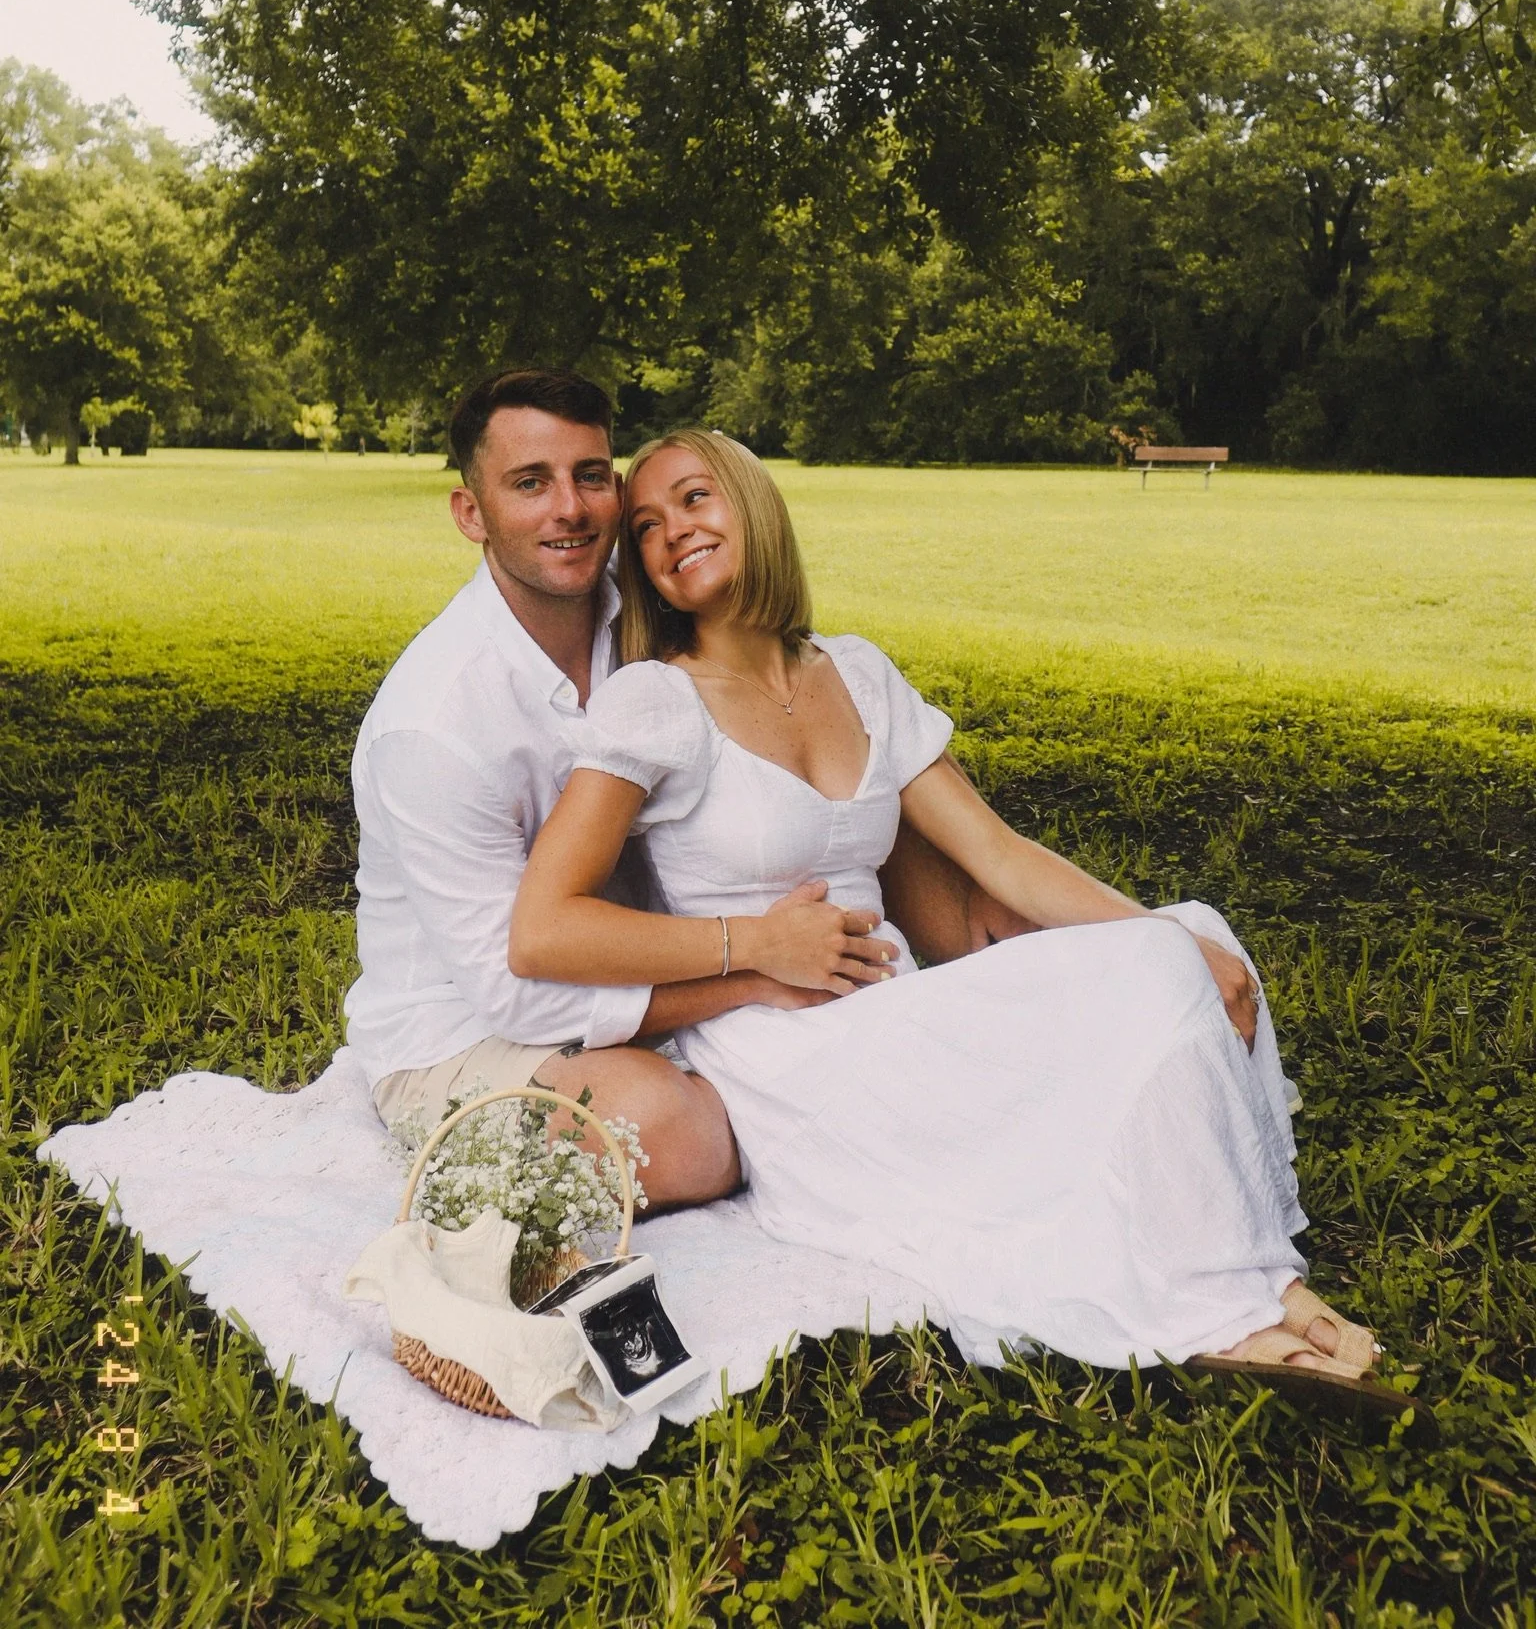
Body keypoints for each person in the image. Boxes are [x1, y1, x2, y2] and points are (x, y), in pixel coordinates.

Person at [511, 427, 1382, 1383]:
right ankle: (1230, 1304)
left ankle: (1252, 1266)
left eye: (695, 498)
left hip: (900, 1010)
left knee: (1196, 934)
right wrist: (756, 944)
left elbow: (997, 855)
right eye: (644, 526)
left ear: (755, 506)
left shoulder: (858, 675)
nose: (672, 530)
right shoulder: (654, 701)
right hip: (787, 1052)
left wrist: (1166, 936)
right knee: (1157, 966)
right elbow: (543, 928)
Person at [343, 369, 1002, 1210]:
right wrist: (758, 966)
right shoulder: (434, 724)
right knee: (686, 1133)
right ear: (470, 512)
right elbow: (514, 986)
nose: (569, 510)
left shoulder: (649, 620)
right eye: (529, 484)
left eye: (590, 477)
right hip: (464, 1034)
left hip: (662, 972)